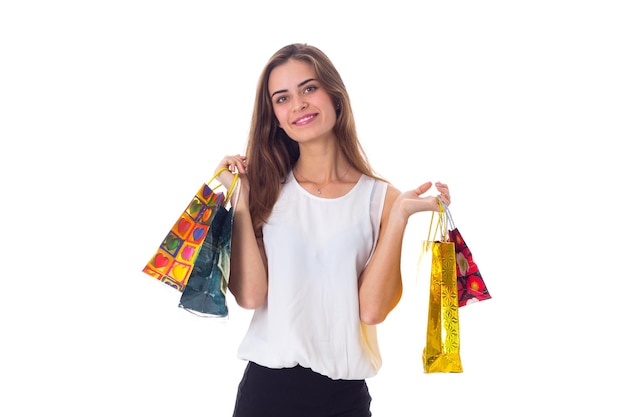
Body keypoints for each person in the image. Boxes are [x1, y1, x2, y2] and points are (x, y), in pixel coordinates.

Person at [215, 43, 451, 417]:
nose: (298, 105)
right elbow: (251, 296)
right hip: (266, 394)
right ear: (274, 117)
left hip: (344, 400)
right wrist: (242, 201)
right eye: (282, 98)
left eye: (309, 89)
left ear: (334, 96)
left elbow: (372, 311)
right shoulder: (266, 191)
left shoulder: (382, 198)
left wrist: (401, 216)